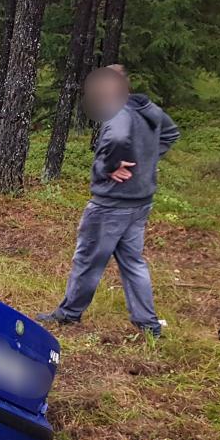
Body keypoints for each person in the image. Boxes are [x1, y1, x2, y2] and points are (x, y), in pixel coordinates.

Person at [37, 66, 180, 338]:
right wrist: (146, 161)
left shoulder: (119, 114)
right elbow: (171, 134)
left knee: (88, 259)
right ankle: (148, 324)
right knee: (133, 262)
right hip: (140, 202)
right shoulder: (149, 109)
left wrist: (110, 167)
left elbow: (116, 138)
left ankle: (68, 314)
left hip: (111, 205)